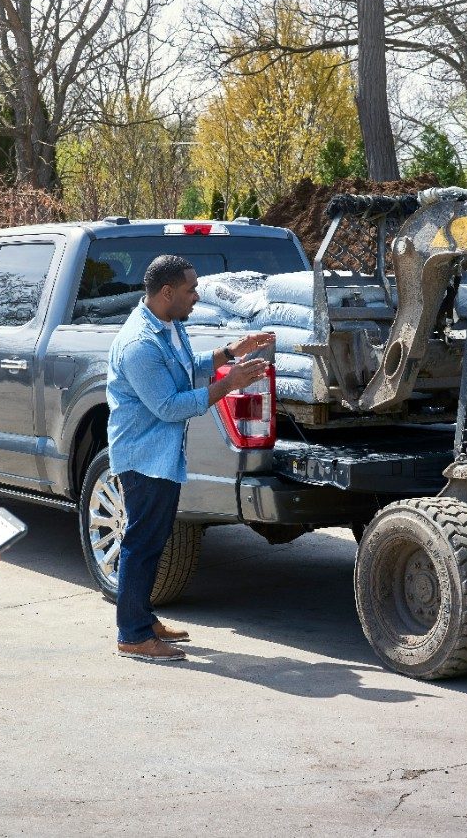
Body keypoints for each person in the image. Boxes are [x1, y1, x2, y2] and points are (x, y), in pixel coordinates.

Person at [106, 255, 273, 661]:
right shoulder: (139, 344)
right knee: (142, 544)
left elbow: (187, 368)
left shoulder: (169, 326)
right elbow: (168, 405)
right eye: (190, 290)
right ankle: (132, 634)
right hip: (142, 457)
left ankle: (142, 618)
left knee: (154, 540)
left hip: (161, 455)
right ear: (167, 293)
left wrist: (230, 352)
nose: (196, 296)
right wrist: (229, 384)